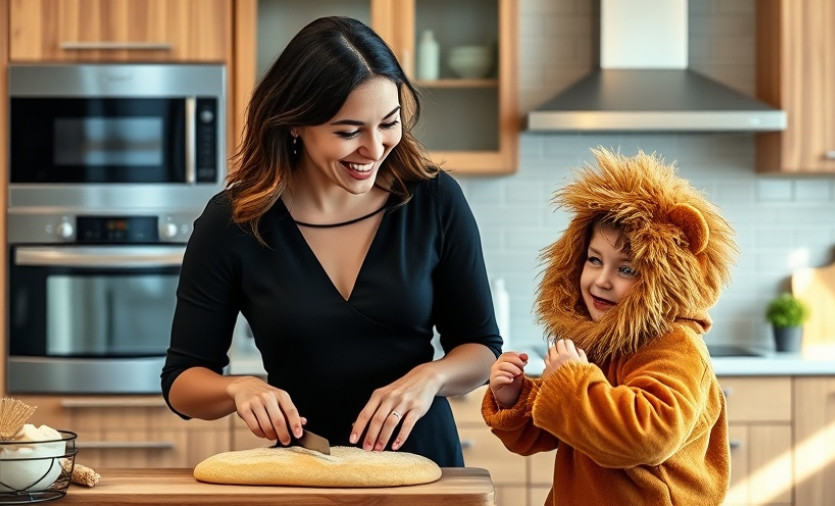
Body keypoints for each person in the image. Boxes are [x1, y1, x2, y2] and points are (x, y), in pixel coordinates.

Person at [161, 16, 502, 467]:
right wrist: (237, 387)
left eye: (389, 123)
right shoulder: (234, 222)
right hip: (306, 471)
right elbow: (183, 381)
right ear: (295, 124)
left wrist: (432, 377)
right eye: (348, 132)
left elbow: (480, 347)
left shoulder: (433, 199)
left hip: (424, 470)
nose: (375, 148)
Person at [482, 148, 738, 505]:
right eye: (594, 260)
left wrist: (572, 383)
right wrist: (517, 399)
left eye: (626, 269)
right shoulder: (605, 342)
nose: (602, 280)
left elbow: (647, 434)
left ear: (663, 280)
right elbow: (566, 423)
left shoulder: (675, 347)